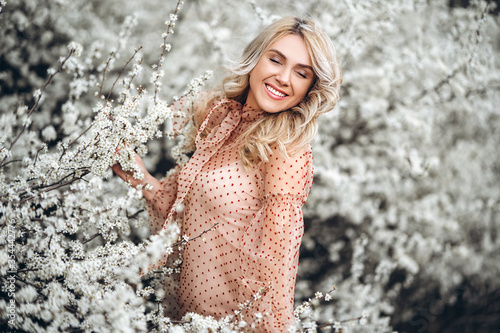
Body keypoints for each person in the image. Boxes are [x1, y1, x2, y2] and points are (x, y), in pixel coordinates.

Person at [113, 16, 342, 332]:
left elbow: (275, 267)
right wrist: (139, 177)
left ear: (309, 89)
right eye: (276, 60)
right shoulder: (224, 118)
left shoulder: (286, 149)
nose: (284, 77)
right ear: (255, 59)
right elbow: (189, 217)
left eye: (301, 73)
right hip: (183, 319)